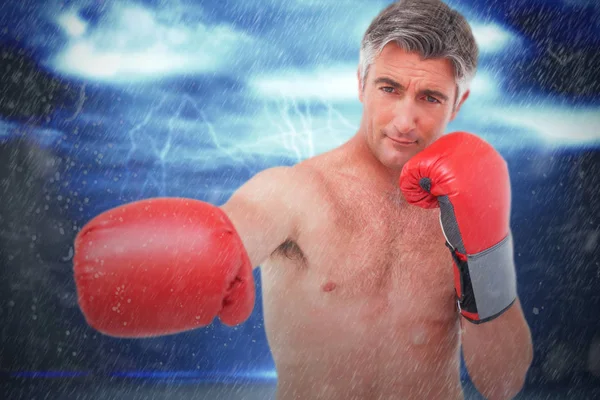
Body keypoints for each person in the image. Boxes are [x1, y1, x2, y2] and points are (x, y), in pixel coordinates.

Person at [73, 0, 533, 399]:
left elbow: (503, 382)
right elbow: (234, 231)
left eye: (430, 97)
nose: (404, 120)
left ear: (459, 103)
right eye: (389, 89)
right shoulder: (295, 193)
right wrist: (202, 258)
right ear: (361, 83)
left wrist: (483, 254)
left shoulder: (468, 205)